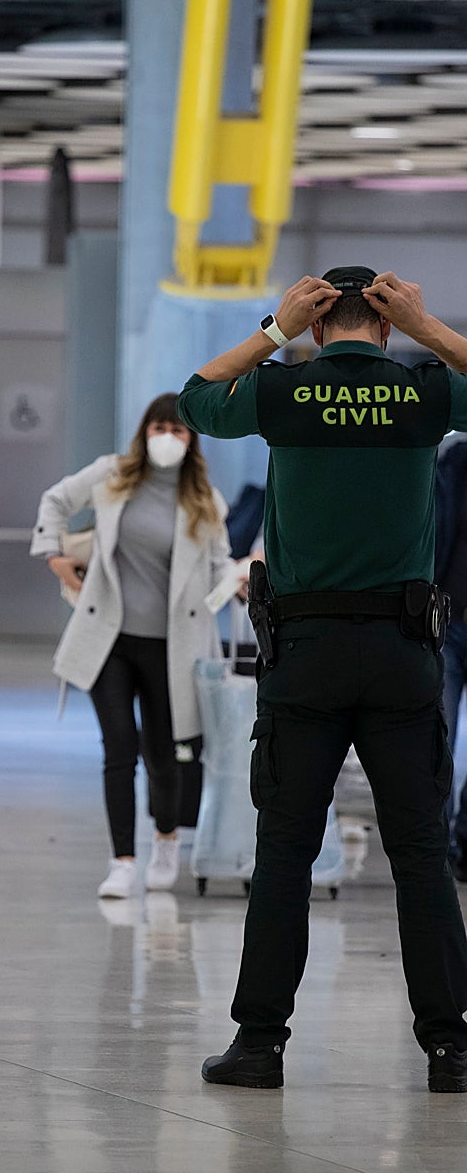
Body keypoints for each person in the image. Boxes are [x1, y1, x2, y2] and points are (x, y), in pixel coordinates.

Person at [177, 266, 467, 1094]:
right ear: (383, 323)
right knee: (418, 857)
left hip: (303, 658)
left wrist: (271, 330)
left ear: (315, 325)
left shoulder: (284, 392)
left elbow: (195, 400)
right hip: (404, 655)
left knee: (284, 856)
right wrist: (428, 324)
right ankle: (452, 1050)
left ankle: (260, 1045)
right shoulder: (423, 395)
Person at [31, 393, 236, 899]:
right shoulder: (113, 475)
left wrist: (238, 579)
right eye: (160, 427)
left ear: (193, 440)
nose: (168, 437)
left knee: (164, 754)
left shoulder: (206, 502)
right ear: (145, 431)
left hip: (172, 650)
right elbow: (55, 500)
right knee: (118, 749)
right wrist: (55, 554)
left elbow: (217, 567)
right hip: (110, 640)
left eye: (179, 430)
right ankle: (122, 859)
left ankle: (166, 840)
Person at [433, 436, 467, 883]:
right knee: (436, 738)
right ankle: (434, 848)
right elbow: (439, 532)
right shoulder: (457, 460)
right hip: (452, 623)